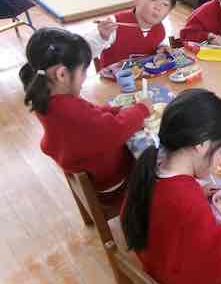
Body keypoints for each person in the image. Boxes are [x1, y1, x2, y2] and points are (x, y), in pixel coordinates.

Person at [121, 89, 221, 284]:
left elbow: (156, 212)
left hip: (160, 272)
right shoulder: (186, 201)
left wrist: (198, 193)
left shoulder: (150, 166)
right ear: (202, 145)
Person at [19, 28, 151, 206]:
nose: (84, 77)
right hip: (115, 185)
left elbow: (92, 114)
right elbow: (115, 129)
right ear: (62, 74)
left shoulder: (46, 98)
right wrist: (141, 110)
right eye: (83, 71)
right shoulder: (70, 110)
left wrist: (117, 110)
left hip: (88, 168)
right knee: (158, 158)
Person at [86, 0, 176, 69]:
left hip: (145, 76)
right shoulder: (114, 24)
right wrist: (102, 37)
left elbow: (157, 43)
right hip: (113, 77)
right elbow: (84, 51)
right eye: (153, 0)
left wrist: (162, 47)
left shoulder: (160, 29)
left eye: (165, 4)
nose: (158, 7)